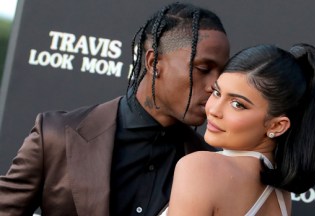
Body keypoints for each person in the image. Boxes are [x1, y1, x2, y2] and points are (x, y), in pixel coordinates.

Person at [0, 2, 230, 216]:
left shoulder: (211, 165)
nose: (216, 85)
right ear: (154, 63)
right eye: (203, 68)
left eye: (222, 72)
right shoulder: (56, 136)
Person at [161, 43, 315, 216]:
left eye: (237, 104)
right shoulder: (281, 197)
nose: (213, 110)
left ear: (277, 126)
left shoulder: (201, 168)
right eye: (217, 92)